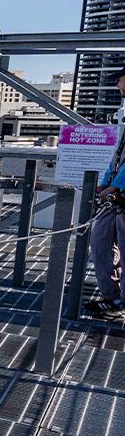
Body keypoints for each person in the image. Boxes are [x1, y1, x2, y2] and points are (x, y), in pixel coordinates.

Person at [86, 69, 125, 320]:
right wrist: (105, 183)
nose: (118, 83)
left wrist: (117, 186)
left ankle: (121, 304)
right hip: (116, 195)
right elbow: (119, 155)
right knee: (100, 240)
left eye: (121, 79)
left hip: (122, 194)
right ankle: (112, 296)